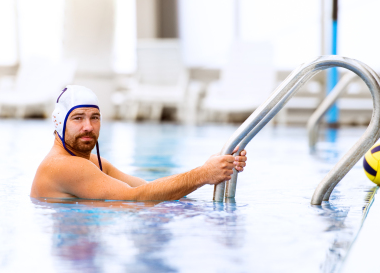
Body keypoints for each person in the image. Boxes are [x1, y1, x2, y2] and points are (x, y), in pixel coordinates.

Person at [31, 85, 248, 201]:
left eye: (94, 117)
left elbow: (146, 188)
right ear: (59, 123)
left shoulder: (94, 162)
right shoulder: (65, 166)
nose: (88, 126)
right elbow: (134, 199)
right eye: (78, 118)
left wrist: (211, 167)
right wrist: (203, 174)